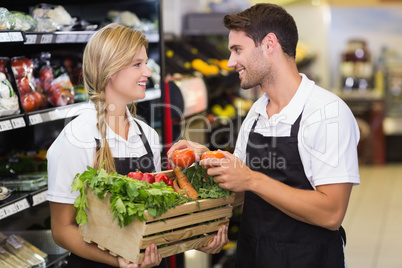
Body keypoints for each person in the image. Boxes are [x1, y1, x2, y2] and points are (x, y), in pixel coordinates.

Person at [168, 3, 360, 268]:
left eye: (237, 50)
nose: (230, 62)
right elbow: (241, 191)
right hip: (253, 255)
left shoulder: (326, 112)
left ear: (269, 44)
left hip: (308, 260)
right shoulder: (258, 111)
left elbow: (331, 213)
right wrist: (207, 161)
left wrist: (250, 179)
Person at [47, 23, 228, 268]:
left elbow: (153, 217)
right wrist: (117, 260)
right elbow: (62, 230)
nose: (148, 72)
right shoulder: (76, 138)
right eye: (137, 64)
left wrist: (198, 237)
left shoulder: (147, 135)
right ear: (111, 69)